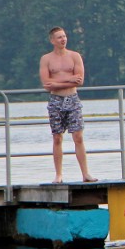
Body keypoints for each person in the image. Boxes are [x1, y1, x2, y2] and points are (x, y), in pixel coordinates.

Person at [39, 26, 97, 183]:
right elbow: (47, 84)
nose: (63, 39)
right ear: (52, 40)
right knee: (57, 137)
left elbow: (80, 80)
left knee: (78, 136)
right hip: (55, 100)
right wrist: (68, 80)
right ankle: (58, 175)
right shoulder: (46, 59)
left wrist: (61, 82)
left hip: (72, 98)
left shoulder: (75, 56)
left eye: (64, 36)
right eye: (59, 37)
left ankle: (85, 174)